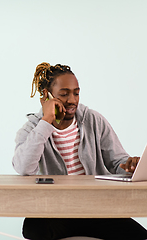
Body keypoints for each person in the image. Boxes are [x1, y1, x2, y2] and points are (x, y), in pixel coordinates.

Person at [12, 62, 147, 240]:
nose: (72, 100)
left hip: (95, 208)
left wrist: (132, 167)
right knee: (33, 230)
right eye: (64, 94)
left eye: (76, 93)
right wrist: (46, 121)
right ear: (46, 95)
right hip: (54, 211)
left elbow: (117, 162)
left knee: (140, 236)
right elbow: (23, 168)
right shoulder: (32, 129)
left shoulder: (93, 120)